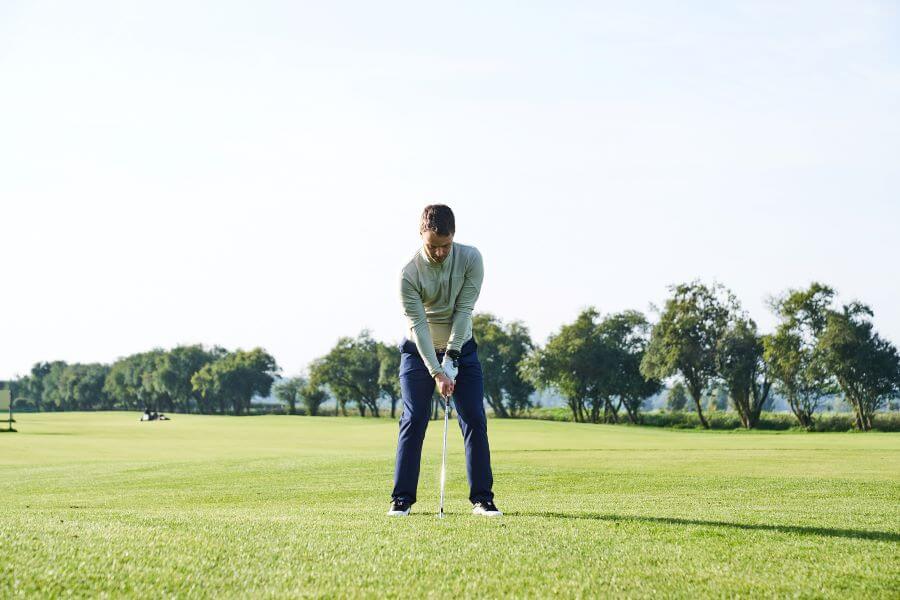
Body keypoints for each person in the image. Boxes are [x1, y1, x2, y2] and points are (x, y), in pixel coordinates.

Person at [388, 204, 501, 517]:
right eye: (433, 246)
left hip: (462, 348)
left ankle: (482, 499)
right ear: (421, 236)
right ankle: (402, 500)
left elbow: (464, 311)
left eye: (446, 246)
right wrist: (437, 371)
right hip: (418, 352)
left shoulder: (470, 258)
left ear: (454, 237)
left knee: (474, 419)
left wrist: (452, 357)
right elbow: (418, 325)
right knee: (414, 420)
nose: (440, 253)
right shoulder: (409, 273)